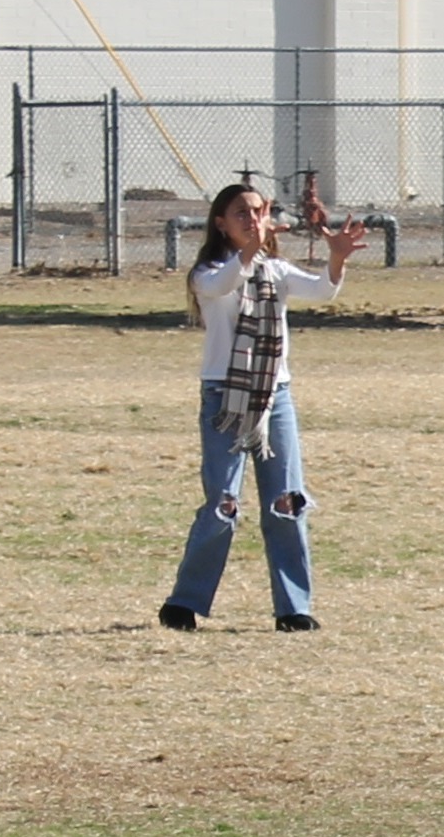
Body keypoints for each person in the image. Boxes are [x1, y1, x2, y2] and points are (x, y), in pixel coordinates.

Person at [158, 179, 368, 634]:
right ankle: (184, 603)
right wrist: (250, 250)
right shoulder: (208, 272)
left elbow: (321, 291)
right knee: (223, 502)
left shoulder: (276, 269)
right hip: (224, 396)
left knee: (287, 501)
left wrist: (336, 257)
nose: (253, 220)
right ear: (220, 224)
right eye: (242, 214)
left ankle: (293, 608)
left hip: (276, 396)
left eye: (258, 212)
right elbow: (225, 281)